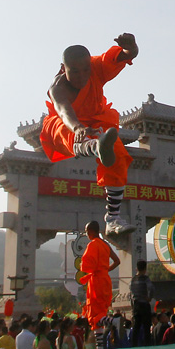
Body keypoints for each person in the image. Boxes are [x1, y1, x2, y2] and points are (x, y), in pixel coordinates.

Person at [40, 33, 139, 235]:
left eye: (85, 70)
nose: (82, 76)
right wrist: (77, 128)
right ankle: (93, 146)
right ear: (63, 68)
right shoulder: (58, 87)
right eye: (74, 72)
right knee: (59, 128)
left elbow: (127, 55)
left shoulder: (95, 67)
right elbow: (63, 110)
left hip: (97, 121)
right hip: (68, 126)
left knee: (118, 154)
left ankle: (112, 219)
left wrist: (131, 47)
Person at [80, 220, 120, 349]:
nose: (86, 234)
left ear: (91, 231)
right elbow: (117, 261)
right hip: (105, 279)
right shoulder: (105, 244)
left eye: (86, 231)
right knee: (100, 311)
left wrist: (99, 271)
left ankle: (113, 320)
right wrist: (105, 270)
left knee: (95, 314)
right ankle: (100, 348)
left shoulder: (93, 244)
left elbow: (86, 265)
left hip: (96, 280)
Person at [130, 260, 155, 347]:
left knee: (136, 326)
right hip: (144, 304)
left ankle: (134, 345)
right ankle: (147, 344)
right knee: (146, 327)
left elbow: (131, 293)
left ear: (136, 268)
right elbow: (151, 288)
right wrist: (149, 297)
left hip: (136, 304)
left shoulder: (133, 279)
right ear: (145, 269)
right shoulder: (145, 278)